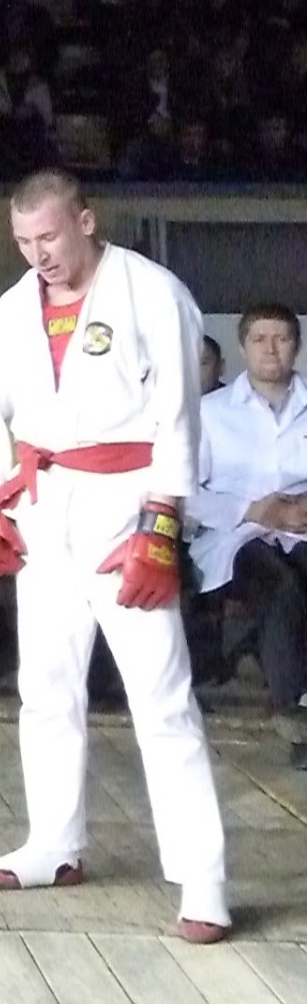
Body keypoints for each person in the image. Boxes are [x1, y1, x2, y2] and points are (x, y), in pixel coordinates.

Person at [0, 169, 230, 942]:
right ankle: (54, 843)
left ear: (85, 219)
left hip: (125, 507)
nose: (37, 254)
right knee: (45, 687)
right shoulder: (14, 308)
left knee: (162, 697)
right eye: (23, 241)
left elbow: (179, 416)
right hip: (43, 511)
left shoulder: (151, 292)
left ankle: (202, 877)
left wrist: (162, 526)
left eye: (48, 236)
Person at [190, 304, 307, 769]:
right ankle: (294, 710)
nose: (270, 349)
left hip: (301, 528)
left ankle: (251, 650)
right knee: (280, 586)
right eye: (259, 339)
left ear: (297, 347)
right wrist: (255, 509)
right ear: (242, 348)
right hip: (236, 535)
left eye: (282, 338)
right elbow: (184, 494)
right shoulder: (210, 413)